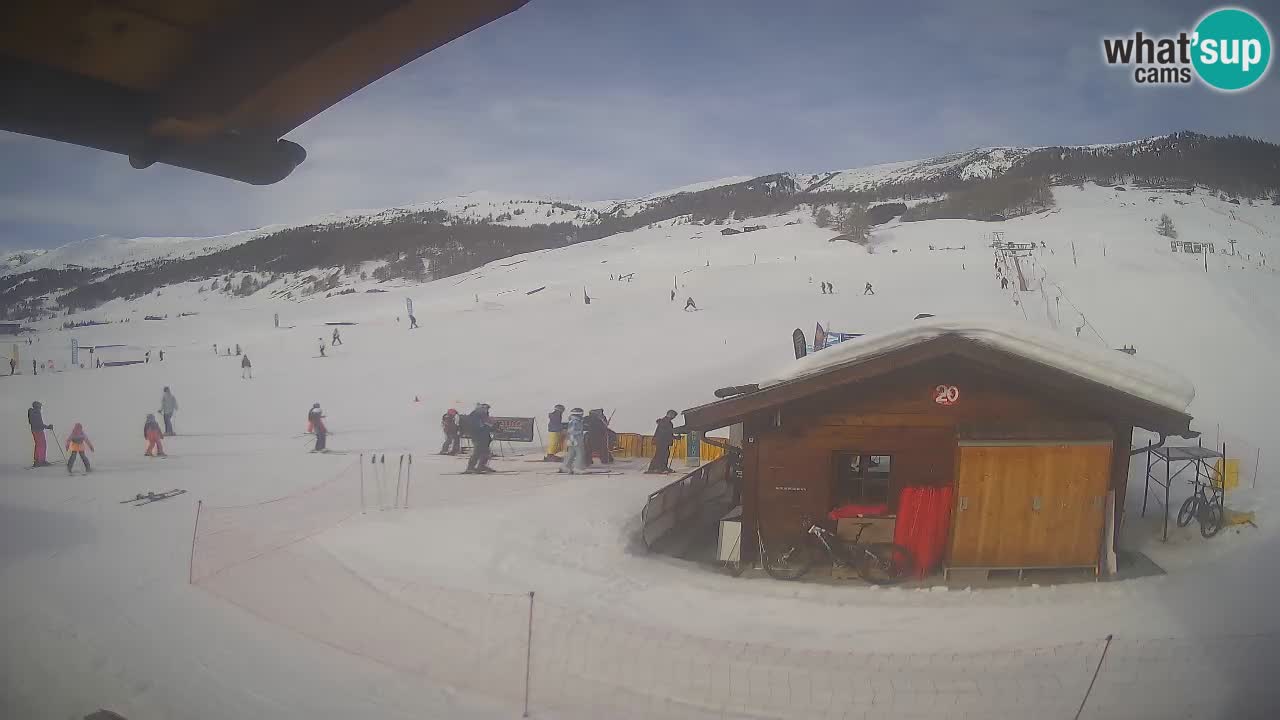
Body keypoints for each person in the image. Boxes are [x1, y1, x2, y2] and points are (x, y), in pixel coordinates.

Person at [463, 403, 494, 473]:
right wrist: (488, 427)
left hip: (484, 436)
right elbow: (479, 426)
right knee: (477, 452)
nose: (487, 410)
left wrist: (493, 428)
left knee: (486, 452)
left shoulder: (484, 416)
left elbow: (487, 425)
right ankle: (470, 467)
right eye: (486, 408)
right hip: (477, 436)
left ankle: (482, 466)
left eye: (487, 409)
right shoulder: (475, 415)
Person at [559, 408, 587, 474]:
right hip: (577, 439)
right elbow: (573, 431)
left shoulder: (572, 420)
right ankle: (578, 468)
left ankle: (565, 466)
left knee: (571, 453)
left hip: (571, 439)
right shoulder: (576, 421)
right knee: (580, 453)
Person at [28, 401, 53, 467]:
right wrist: (48, 427)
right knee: (41, 445)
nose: (41, 408)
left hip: (35, 430)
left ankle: (38, 461)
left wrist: (46, 427)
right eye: (40, 406)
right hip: (38, 431)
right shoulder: (36, 412)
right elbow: (39, 423)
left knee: (39, 445)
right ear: (37, 406)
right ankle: (40, 461)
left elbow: (34, 423)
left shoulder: (32, 412)